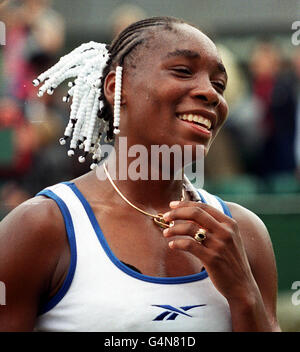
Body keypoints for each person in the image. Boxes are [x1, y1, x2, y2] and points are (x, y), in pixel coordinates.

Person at [0, 16, 280, 332]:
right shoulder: (41, 227)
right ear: (116, 87)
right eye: (184, 71)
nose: (211, 94)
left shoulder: (244, 233)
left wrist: (243, 292)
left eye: (219, 84)